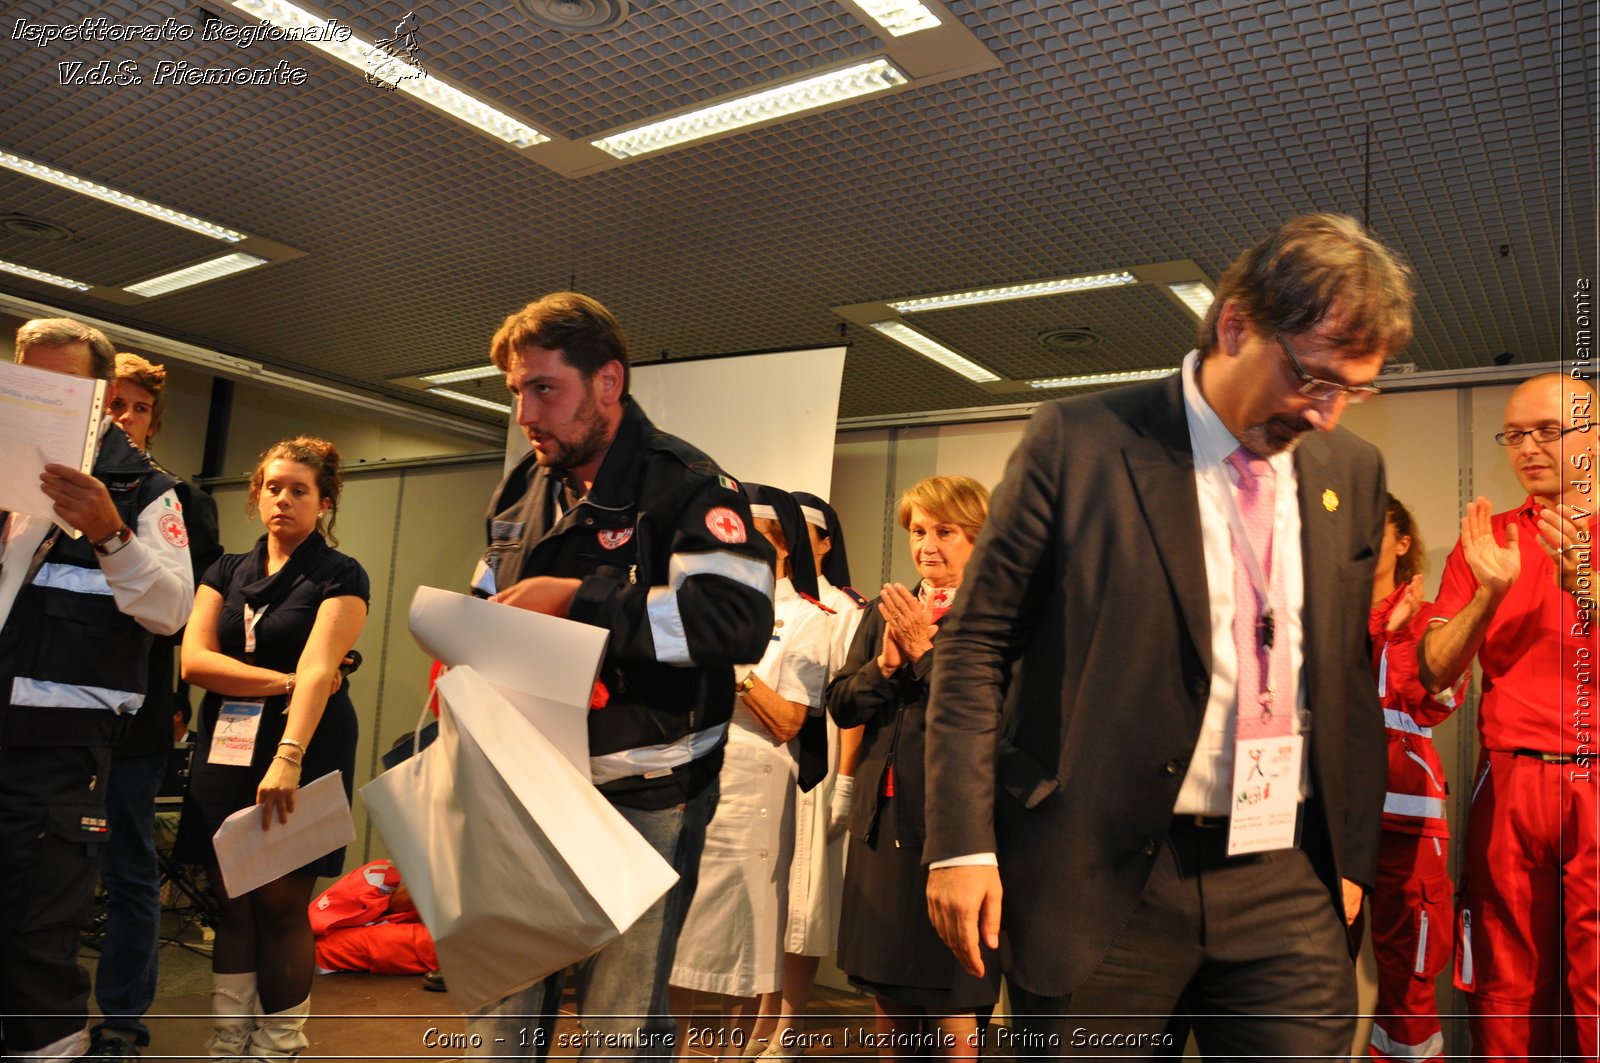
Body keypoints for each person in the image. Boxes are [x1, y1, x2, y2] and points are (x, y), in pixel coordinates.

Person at [923, 213, 1416, 1055]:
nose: (1328, 414)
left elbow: (1342, 674)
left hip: (1284, 873)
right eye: (1312, 378)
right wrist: (961, 843)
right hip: (1105, 872)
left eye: (1353, 389)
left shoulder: (1351, 472)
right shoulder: (1079, 443)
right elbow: (974, 647)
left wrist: (1349, 857)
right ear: (1235, 325)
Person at [467, 291, 775, 1059]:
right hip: (526, 783)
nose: (525, 414)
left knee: (618, 1028)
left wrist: (580, 600)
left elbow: (735, 622)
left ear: (608, 383)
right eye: (516, 392)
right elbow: (486, 595)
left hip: (645, 794)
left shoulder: (689, 486)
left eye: (545, 389)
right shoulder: (520, 490)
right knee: (498, 1027)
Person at [0, 319, 194, 1062]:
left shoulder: (145, 490)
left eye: (62, 385)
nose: (40, 397)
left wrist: (112, 533)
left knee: (33, 947)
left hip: (58, 757)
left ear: (100, 396)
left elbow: (171, 609)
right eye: (27, 379)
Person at [1419, 372, 1598, 1058]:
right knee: (1503, 983)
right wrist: (1485, 596)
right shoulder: (1488, 540)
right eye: (1514, 434)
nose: (1526, 447)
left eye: (1547, 431)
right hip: (1512, 784)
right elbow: (1433, 670)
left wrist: (1589, 585)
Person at [175, 437, 369, 1059]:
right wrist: (280, 682)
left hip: (305, 741)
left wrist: (288, 756)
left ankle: (279, 1045)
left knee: (282, 905)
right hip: (227, 743)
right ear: (257, 493)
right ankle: (229, 1041)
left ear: (325, 502)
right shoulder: (224, 571)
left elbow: (320, 668)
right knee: (231, 902)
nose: (283, 499)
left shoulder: (340, 574)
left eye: (299, 490)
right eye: (272, 487)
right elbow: (196, 660)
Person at [827, 475, 998, 1059]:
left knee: (952, 1003)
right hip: (883, 824)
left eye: (944, 531)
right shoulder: (886, 610)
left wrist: (924, 653)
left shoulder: (998, 617)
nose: (926, 545)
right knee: (887, 996)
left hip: (953, 830)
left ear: (977, 537)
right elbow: (843, 703)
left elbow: (994, 716)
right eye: (918, 531)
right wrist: (884, 664)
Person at [89, 352, 224, 1061]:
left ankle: (121, 1022)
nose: (125, 417)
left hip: (141, 711)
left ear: (153, 419)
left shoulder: (176, 499)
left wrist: (181, 700)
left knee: (130, 865)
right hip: (55, 707)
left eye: (138, 407)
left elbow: (188, 613)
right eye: (114, 403)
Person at [670, 484, 831, 1054]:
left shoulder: (810, 619)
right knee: (676, 933)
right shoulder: (692, 603)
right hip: (683, 777)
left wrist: (733, 664)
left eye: (759, 541)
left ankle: (732, 1051)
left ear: (785, 550)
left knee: (735, 939)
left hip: (752, 788)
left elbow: (789, 721)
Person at [753, 492, 868, 1056]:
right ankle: (761, 1016)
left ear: (823, 542)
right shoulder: (763, 598)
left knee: (804, 899)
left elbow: (852, 703)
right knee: (766, 893)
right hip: (765, 764)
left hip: (815, 766)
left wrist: (846, 780)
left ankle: (788, 1024)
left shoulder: (844, 609)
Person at [1366, 494, 1464, 1062]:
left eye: (1374, 526)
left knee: (1410, 984)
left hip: (1409, 824)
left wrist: (1398, 635)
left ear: (1404, 542)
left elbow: (1433, 705)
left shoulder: (1431, 619)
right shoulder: (1325, 609)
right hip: (1331, 824)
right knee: (1308, 978)